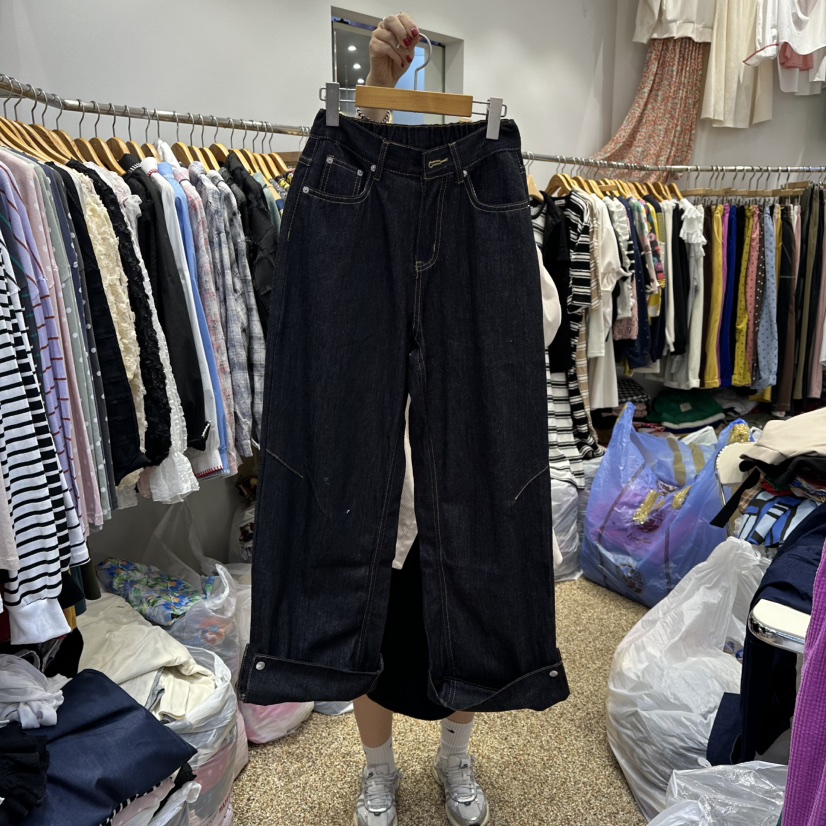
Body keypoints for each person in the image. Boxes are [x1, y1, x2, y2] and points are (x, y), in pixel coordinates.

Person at [351, 15, 490, 826]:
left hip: (464, 481)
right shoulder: (359, 209)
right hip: (376, 484)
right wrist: (380, 80)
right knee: (373, 636)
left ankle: (456, 758)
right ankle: (379, 772)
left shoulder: (483, 201)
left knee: (464, 628)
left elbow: (535, 320)